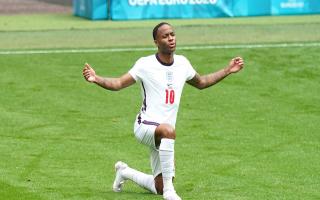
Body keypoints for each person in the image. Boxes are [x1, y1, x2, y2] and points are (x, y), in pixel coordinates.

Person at [82, 22, 244, 200]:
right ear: (156, 42)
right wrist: (96, 78)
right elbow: (119, 83)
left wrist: (227, 70)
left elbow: (202, 82)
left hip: (164, 136)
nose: (171, 38)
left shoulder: (182, 63)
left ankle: (124, 172)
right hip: (145, 126)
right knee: (168, 132)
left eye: (172, 34)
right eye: (165, 36)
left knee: (158, 185)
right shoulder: (145, 64)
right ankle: (170, 192)